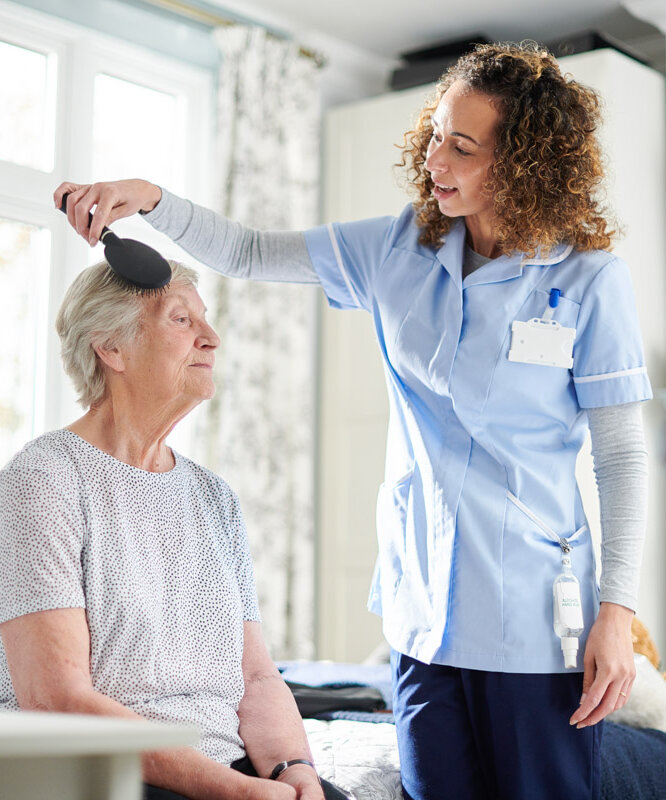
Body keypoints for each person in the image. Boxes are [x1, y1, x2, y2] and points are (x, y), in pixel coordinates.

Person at [54, 42, 651, 800]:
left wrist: (616, 612)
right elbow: (245, 250)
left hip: (533, 620)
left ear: (525, 163)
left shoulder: (588, 280)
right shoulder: (400, 246)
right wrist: (151, 199)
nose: (435, 158)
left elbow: (623, 456)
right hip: (421, 618)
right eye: (435, 134)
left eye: (462, 147)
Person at [0, 260, 349, 800]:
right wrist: (232, 791)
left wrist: (293, 770)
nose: (211, 338)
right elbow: (56, 699)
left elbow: (255, 678)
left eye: (205, 320)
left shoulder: (213, 497)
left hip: (220, 765)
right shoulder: (44, 480)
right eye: (182, 321)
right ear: (111, 349)